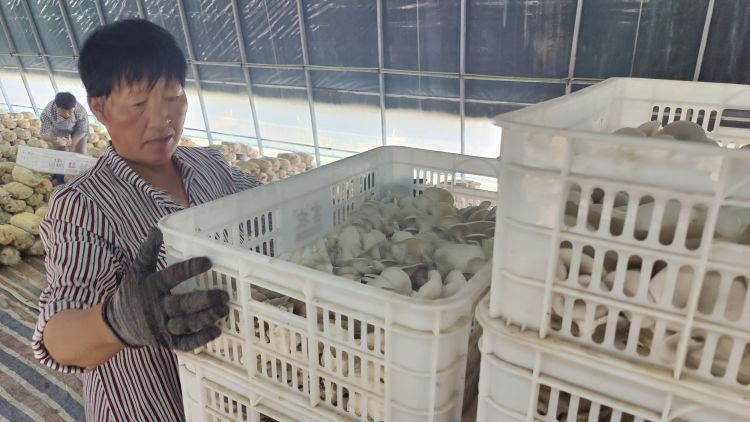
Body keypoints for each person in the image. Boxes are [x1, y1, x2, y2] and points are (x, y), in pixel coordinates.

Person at [31, 19, 260, 421]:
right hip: (149, 406)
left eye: (173, 96)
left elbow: (274, 203)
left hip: (234, 397)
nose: (161, 120)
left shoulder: (210, 166)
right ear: (99, 108)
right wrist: (119, 322)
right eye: (138, 104)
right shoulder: (82, 206)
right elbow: (58, 339)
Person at [40, 92, 90, 184]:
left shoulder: (80, 111)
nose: (69, 114)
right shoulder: (48, 112)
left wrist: (73, 145)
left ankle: (81, 179)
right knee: (60, 154)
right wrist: (52, 139)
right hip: (58, 129)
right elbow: (44, 131)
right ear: (58, 107)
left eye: (71, 112)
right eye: (67, 112)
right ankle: (60, 180)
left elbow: (81, 130)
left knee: (80, 152)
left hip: (78, 129)